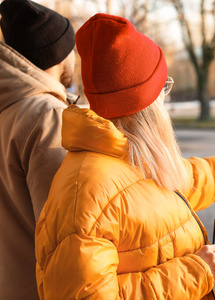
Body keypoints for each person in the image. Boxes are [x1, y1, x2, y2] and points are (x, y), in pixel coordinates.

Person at [35, 13, 215, 300]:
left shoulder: (130, 156)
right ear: (144, 104)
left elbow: (200, 178)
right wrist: (195, 271)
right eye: (163, 88)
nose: (165, 99)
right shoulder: (87, 191)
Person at [0, 0, 76, 299]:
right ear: (59, 54)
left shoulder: (9, 110)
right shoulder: (47, 115)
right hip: (41, 290)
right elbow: (65, 232)